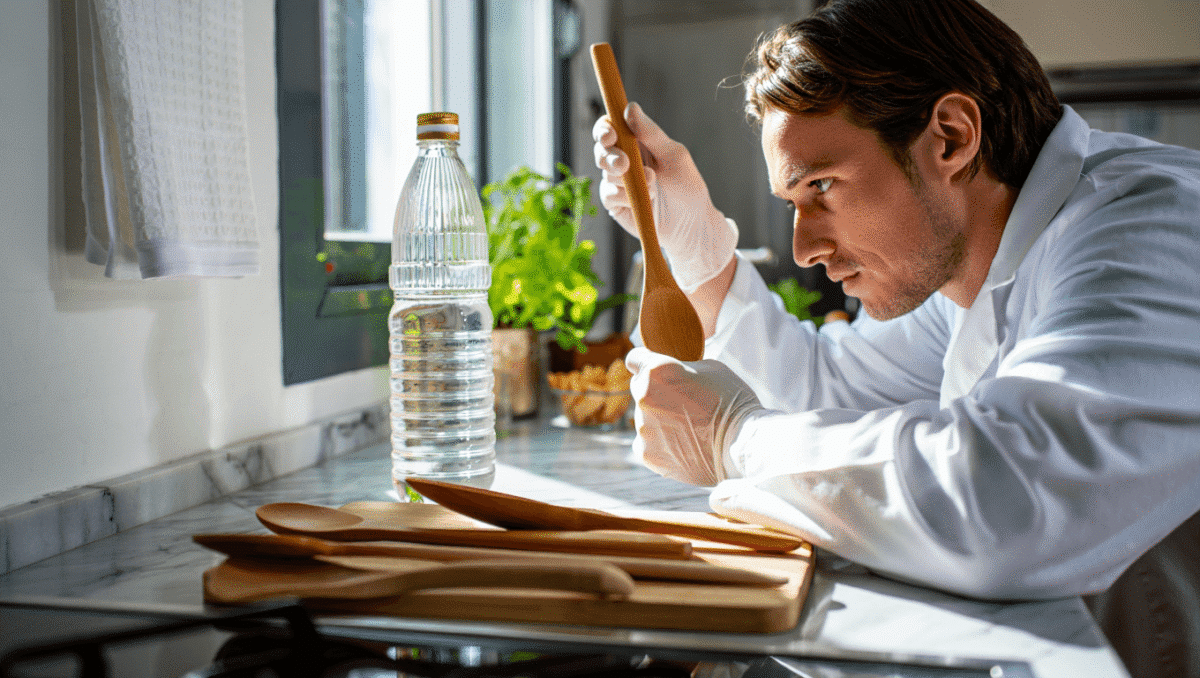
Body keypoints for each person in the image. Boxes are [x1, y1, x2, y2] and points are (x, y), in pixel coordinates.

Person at [593, 0, 1200, 674]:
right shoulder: (977, 260)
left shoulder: (1154, 228)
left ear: (951, 137)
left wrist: (733, 439)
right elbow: (827, 392)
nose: (804, 249)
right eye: (794, 203)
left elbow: (1006, 501)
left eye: (823, 186)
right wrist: (695, 242)